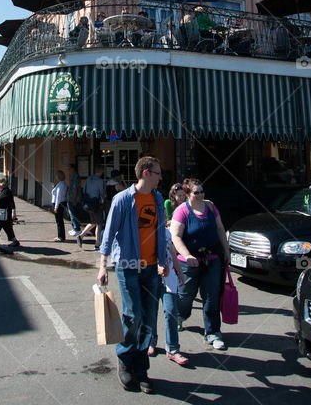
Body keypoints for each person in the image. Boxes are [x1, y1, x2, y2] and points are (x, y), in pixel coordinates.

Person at [98, 156, 168, 394]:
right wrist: (102, 266)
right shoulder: (123, 199)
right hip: (127, 266)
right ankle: (125, 360)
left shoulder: (158, 198)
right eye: (158, 173)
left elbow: (161, 232)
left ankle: (141, 368)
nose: (161, 177)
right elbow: (108, 235)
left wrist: (164, 261)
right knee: (133, 315)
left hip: (151, 267)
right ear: (147, 173)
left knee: (148, 319)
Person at [170, 178, 229, 351]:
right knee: (185, 295)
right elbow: (176, 236)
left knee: (211, 296)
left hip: (211, 259)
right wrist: (187, 255)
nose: (201, 195)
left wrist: (226, 249)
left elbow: (219, 228)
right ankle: (181, 316)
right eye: (196, 192)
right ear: (188, 194)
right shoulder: (182, 211)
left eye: (202, 191)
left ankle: (213, 332)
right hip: (188, 262)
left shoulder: (210, 207)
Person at [149, 222, 189, 365]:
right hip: (152, 278)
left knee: (171, 311)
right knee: (151, 312)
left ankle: (172, 349)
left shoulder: (166, 233)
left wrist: (179, 272)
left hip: (169, 279)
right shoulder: (145, 232)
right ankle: (151, 341)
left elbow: (172, 252)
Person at [78, 166, 105, 248]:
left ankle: (81, 235)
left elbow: (84, 190)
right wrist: (103, 202)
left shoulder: (88, 179)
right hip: (96, 204)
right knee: (99, 224)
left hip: (88, 203)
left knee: (93, 222)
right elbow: (102, 193)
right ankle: (97, 243)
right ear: (101, 172)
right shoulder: (100, 181)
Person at [51, 170, 67, 243]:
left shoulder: (60, 185)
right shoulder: (62, 184)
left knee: (59, 220)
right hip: (62, 203)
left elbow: (58, 197)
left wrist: (56, 207)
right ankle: (61, 236)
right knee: (60, 220)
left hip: (59, 203)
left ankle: (60, 236)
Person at [66, 163, 82, 236]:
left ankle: (77, 229)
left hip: (73, 198)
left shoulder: (75, 177)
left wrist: (74, 199)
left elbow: (75, 188)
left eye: (69, 168)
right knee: (71, 213)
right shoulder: (73, 176)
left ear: (73, 168)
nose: (68, 170)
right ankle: (74, 228)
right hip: (71, 197)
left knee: (73, 214)